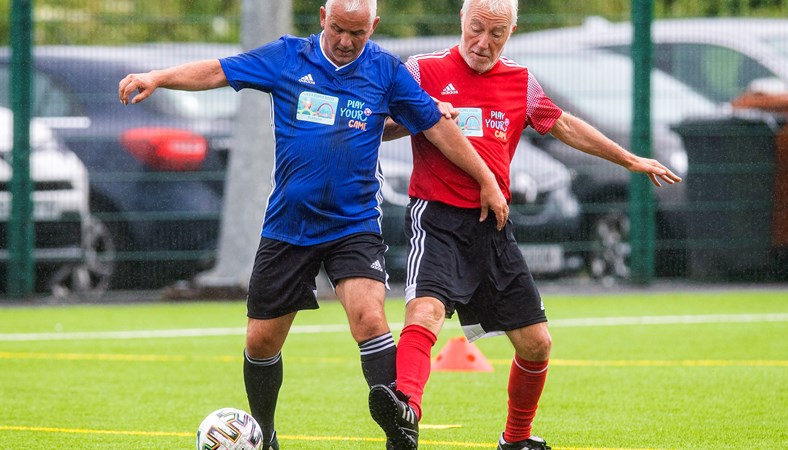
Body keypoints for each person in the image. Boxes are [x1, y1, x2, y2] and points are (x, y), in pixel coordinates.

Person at [118, 1, 509, 449]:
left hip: (354, 222)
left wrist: (485, 180)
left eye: (357, 33)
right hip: (289, 223)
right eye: (338, 28)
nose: (345, 41)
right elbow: (217, 71)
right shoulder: (287, 57)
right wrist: (157, 77)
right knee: (262, 340)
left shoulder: (386, 71)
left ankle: (402, 434)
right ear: (323, 17)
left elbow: (437, 127)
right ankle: (265, 435)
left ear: (373, 27)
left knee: (369, 316)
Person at [368, 0, 684, 449]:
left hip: (493, 226)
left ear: (511, 31)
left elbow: (563, 125)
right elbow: (378, 125)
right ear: (462, 19)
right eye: (476, 28)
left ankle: (515, 440)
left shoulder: (520, 81)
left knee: (537, 344)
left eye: (496, 33)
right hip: (436, 218)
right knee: (425, 312)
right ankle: (406, 413)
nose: (483, 42)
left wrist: (629, 158)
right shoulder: (422, 71)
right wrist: (422, 113)